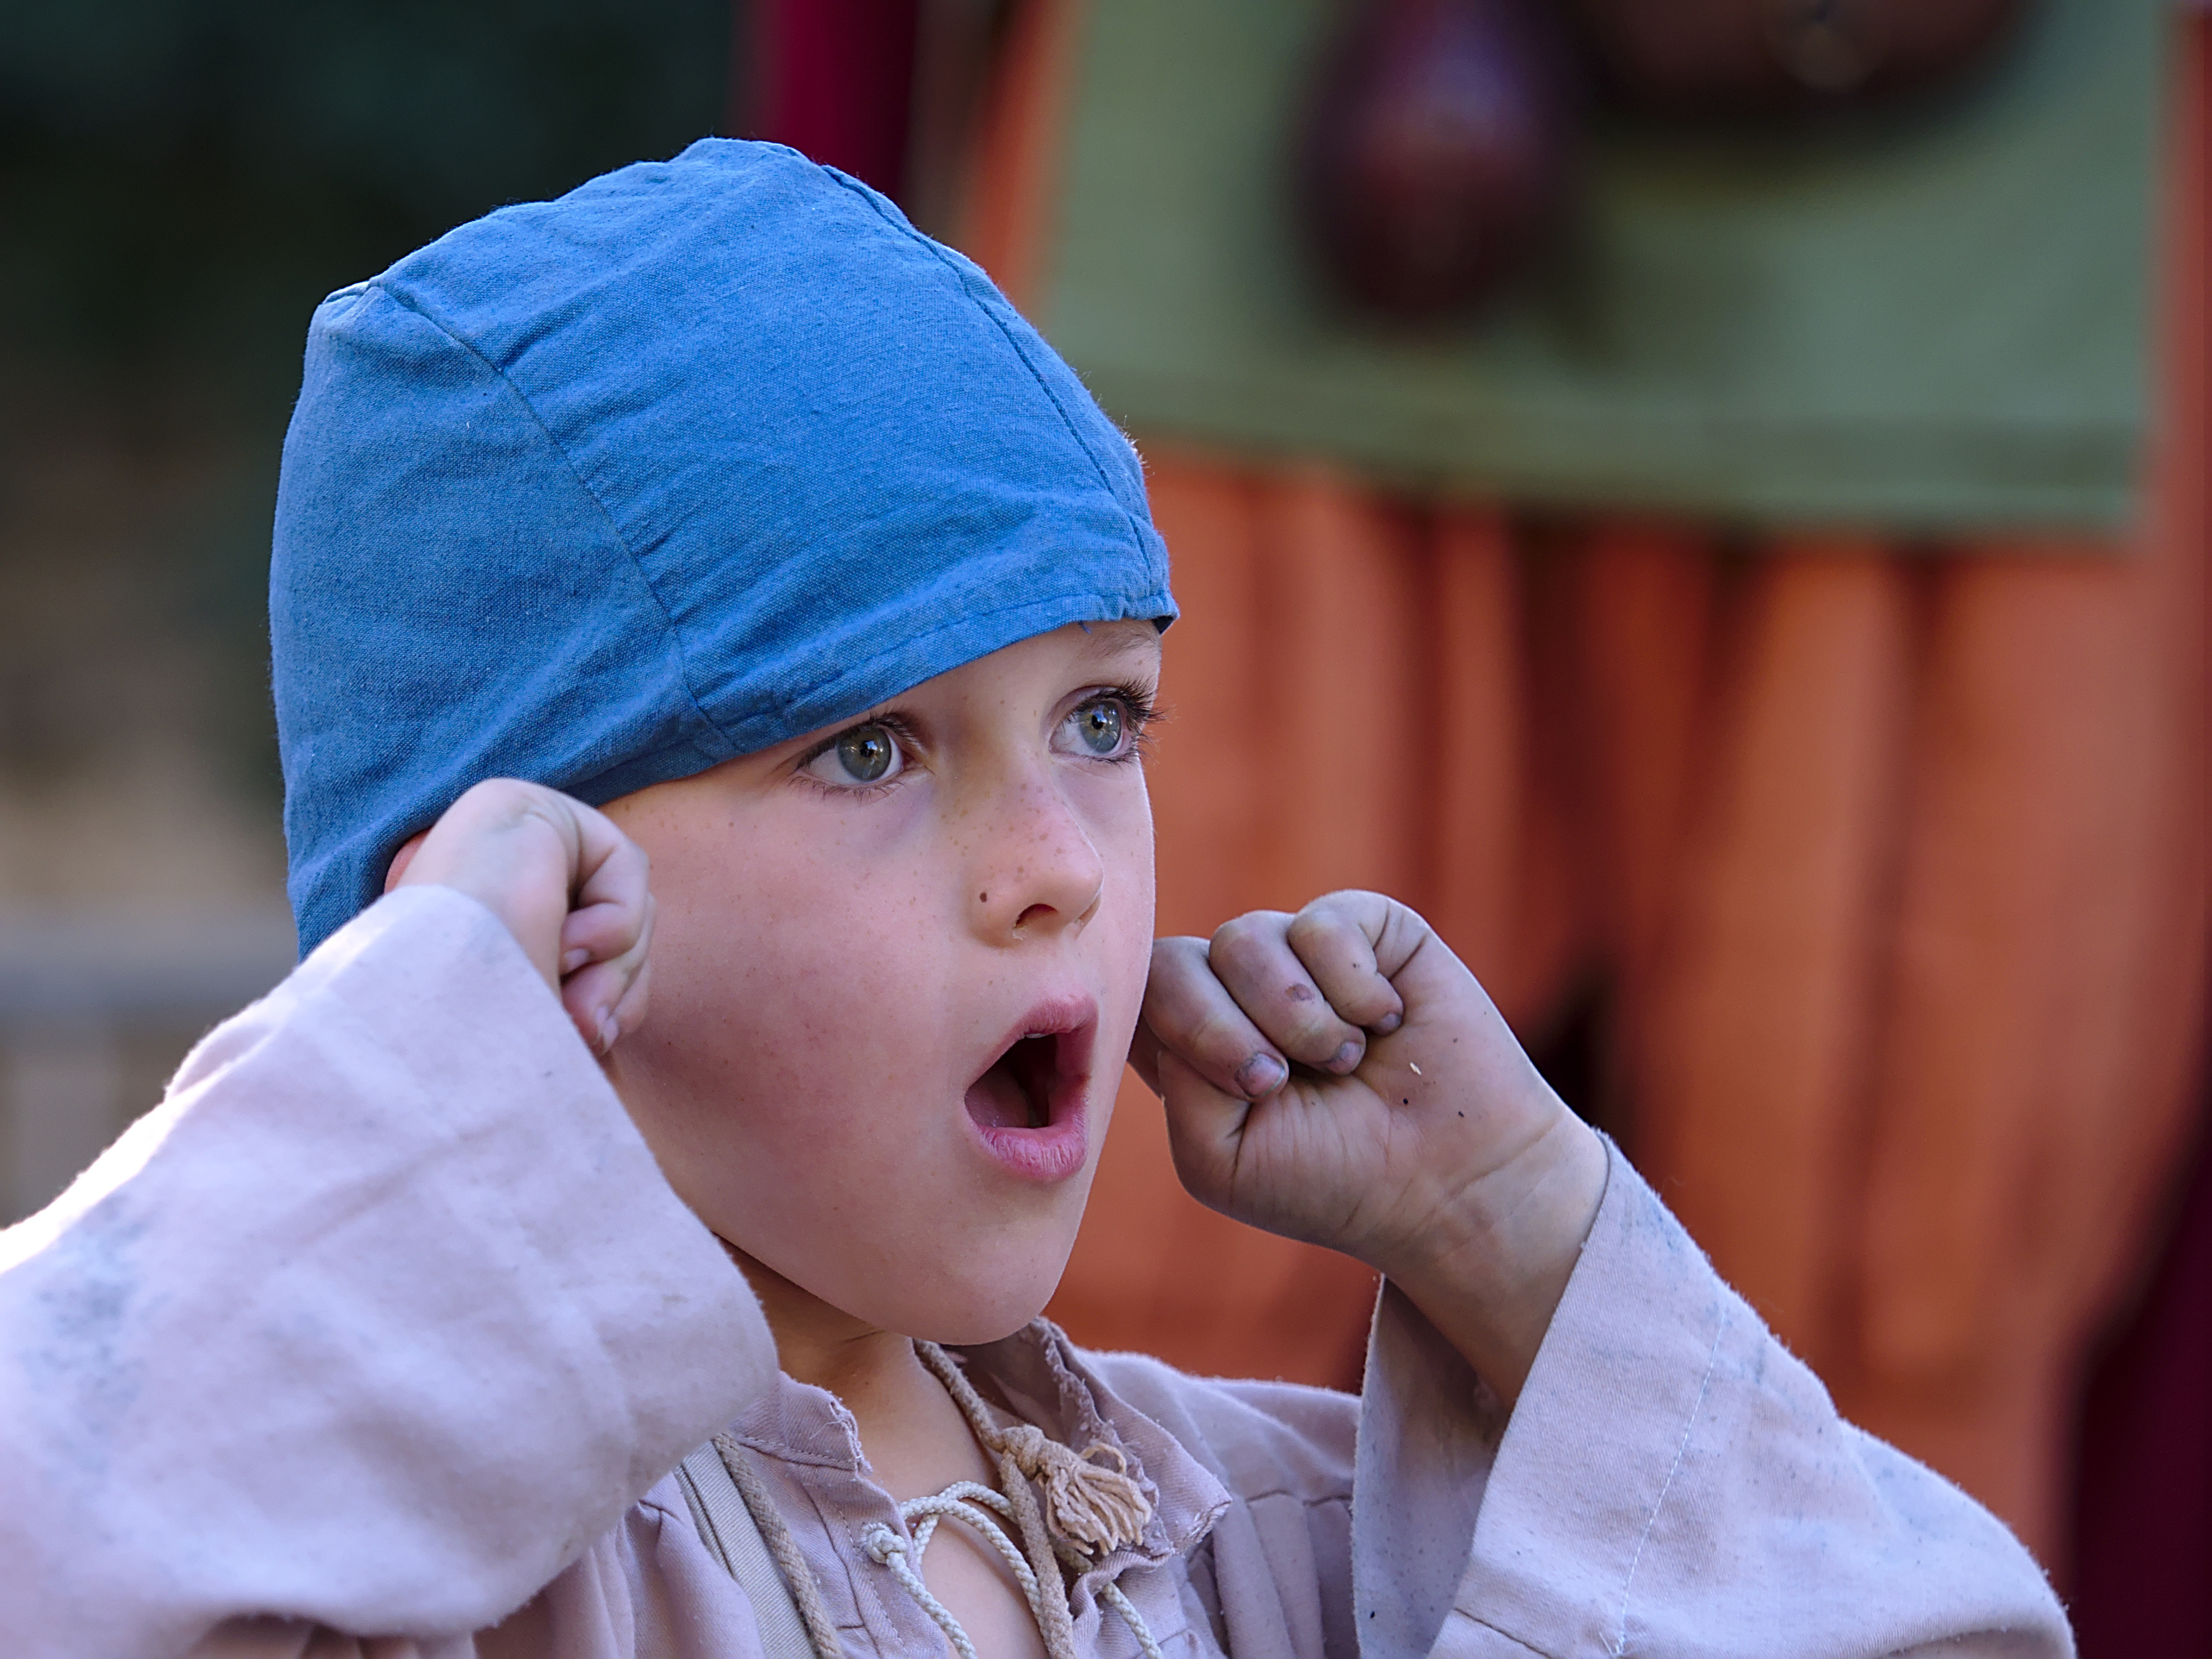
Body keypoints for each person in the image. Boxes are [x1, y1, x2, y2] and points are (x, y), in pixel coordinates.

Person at [0, 140, 2067, 1659]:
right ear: (519, 907)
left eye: (1102, 718)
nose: (1061, 867)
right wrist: (420, 1049)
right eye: (869, 751)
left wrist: (1521, 1241)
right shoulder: (433, 1574)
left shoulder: (1262, 1542)